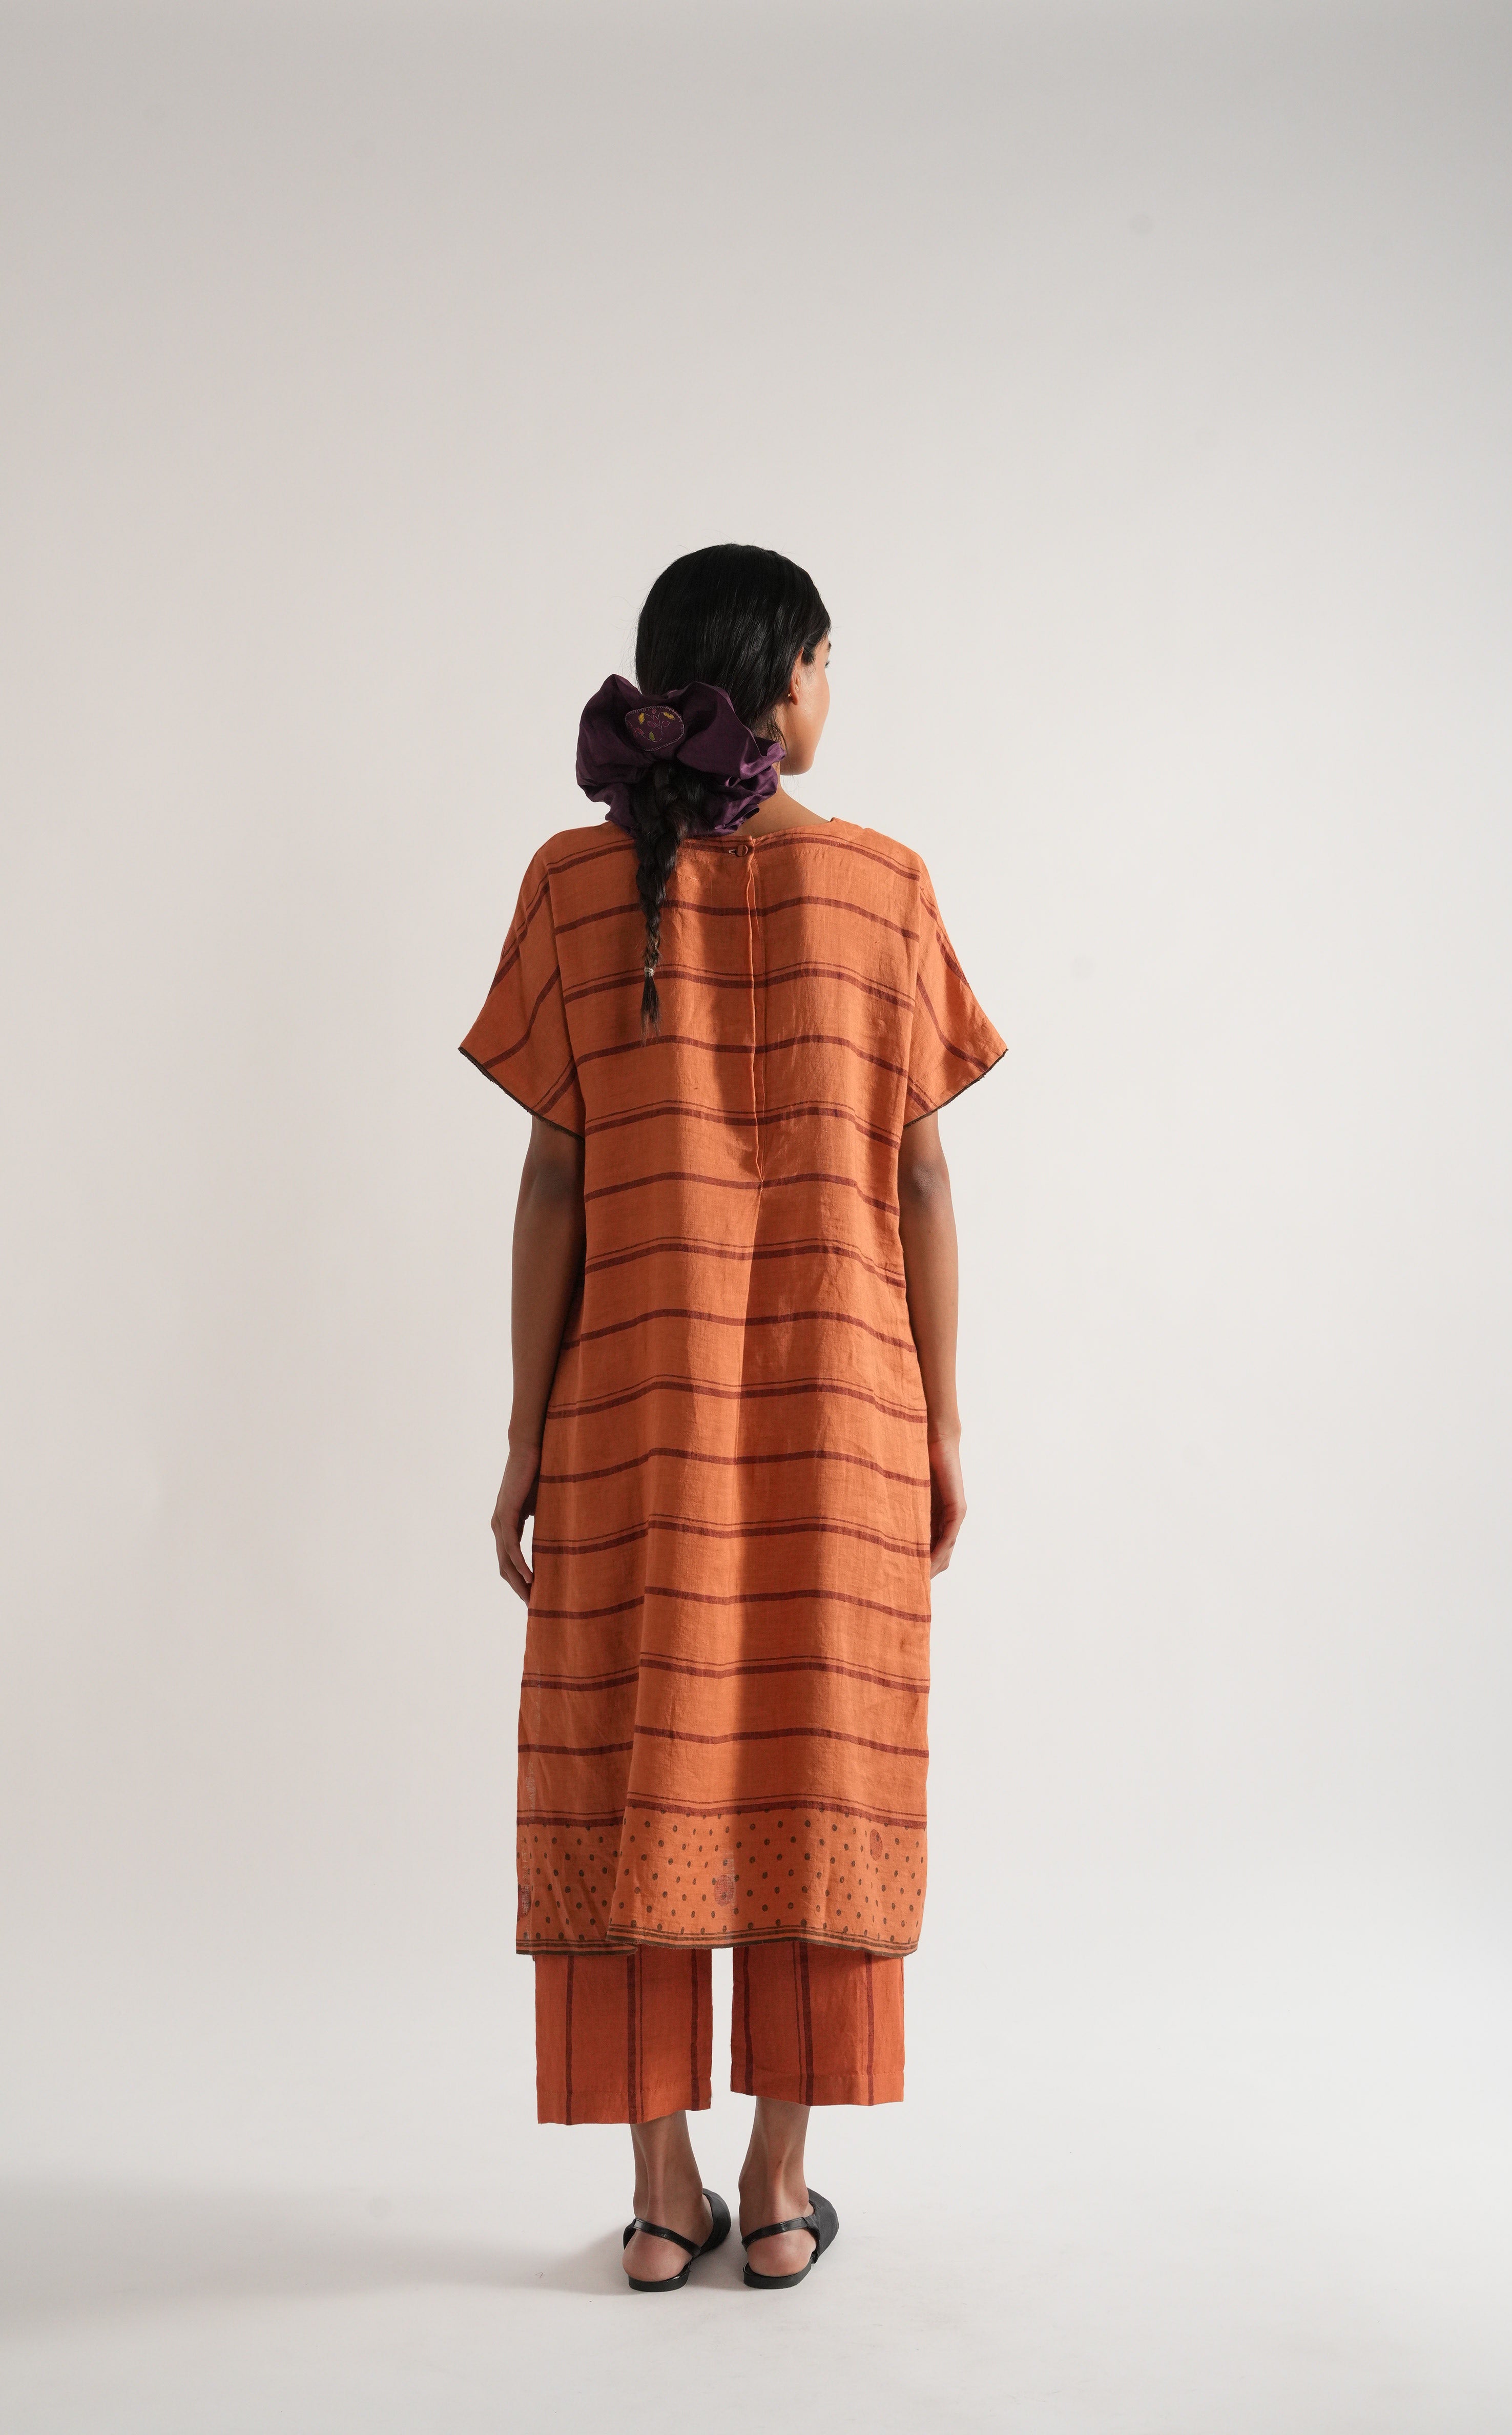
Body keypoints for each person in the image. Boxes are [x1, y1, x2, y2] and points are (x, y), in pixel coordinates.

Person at [460, 544, 1004, 2292]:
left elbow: (555, 1184)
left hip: (633, 1416)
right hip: (843, 1413)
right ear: (781, 680)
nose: (834, 692)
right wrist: (942, 1423)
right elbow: (923, 1177)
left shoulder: (570, 886)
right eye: (827, 663)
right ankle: (777, 2196)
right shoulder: (887, 887)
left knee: (633, 1766)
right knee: (816, 1758)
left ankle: (657, 2200)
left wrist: (526, 1437)